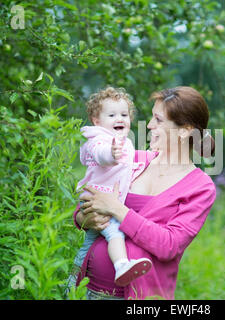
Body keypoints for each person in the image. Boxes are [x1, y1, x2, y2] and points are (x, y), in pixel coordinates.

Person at [74, 86, 217, 300]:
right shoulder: (132, 160)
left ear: (185, 130)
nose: (149, 125)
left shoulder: (200, 187)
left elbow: (169, 245)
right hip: (85, 288)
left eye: (158, 120)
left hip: (140, 298)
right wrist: (87, 217)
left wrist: (116, 209)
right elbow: (82, 211)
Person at [65, 87, 152, 296]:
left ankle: (71, 282)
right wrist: (111, 155)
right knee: (115, 233)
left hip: (106, 200)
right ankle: (121, 264)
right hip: (100, 200)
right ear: (96, 121)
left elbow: (132, 163)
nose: (119, 118)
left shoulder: (126, 142)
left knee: (88, 244)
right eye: (111, 115)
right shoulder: (97, 139)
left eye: (124, 114)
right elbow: (99, 154)